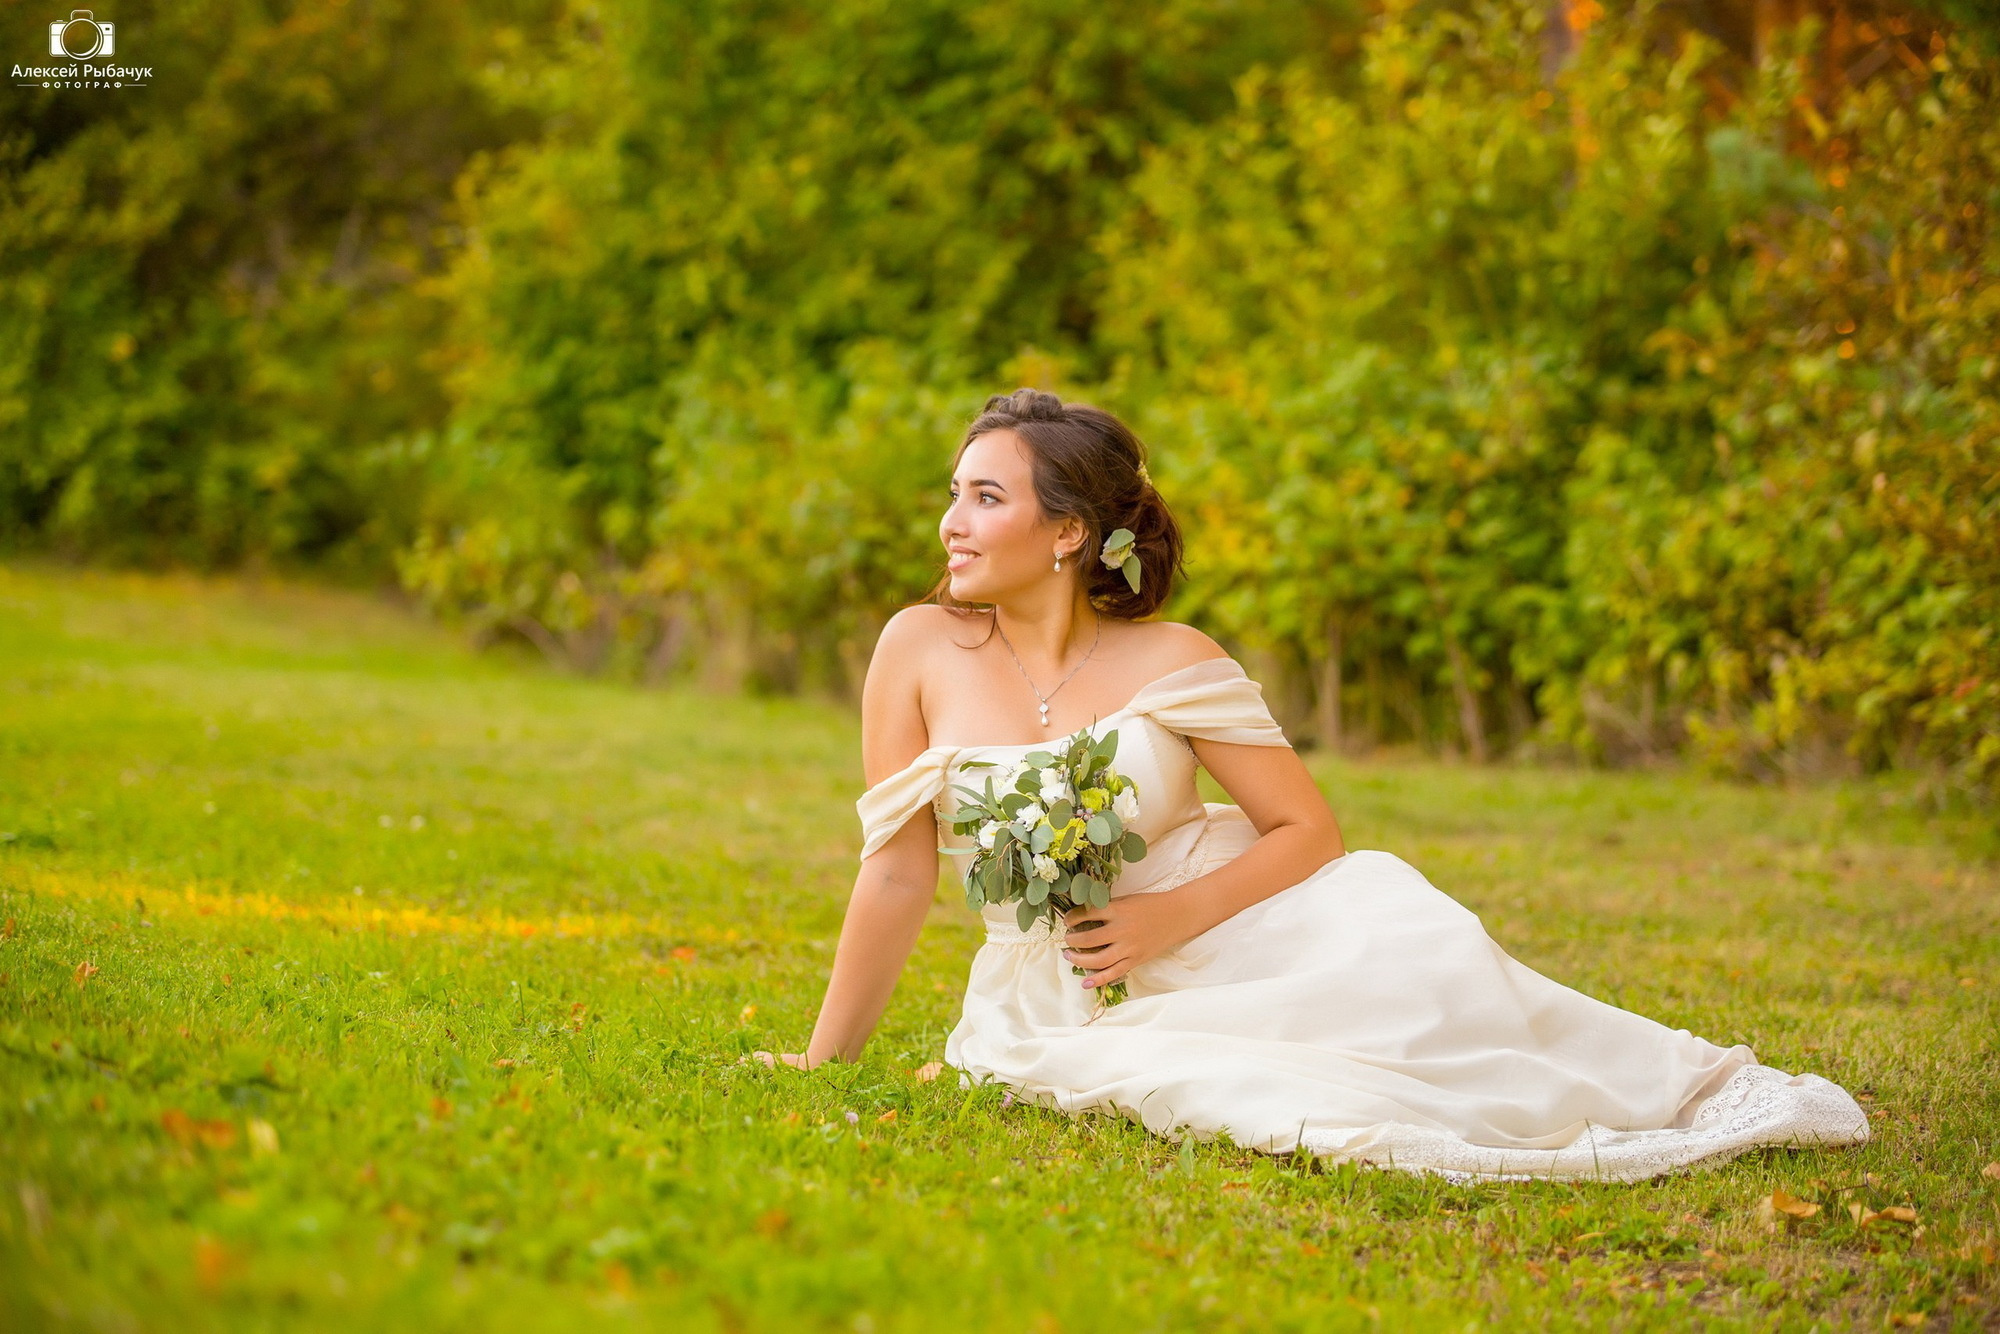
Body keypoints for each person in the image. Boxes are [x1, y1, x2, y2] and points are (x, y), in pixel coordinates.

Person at [751, 388, 1868, 1182]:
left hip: (1233, 927)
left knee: (1416, 1002)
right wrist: (820, 1058)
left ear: (1068, 533)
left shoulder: (1173, 659)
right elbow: (897, 870)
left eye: (985, 497)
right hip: (1048, 989)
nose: (950, 522)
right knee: (1263, 1096)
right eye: (952, 492)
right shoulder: (914, 647)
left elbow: (1306, 828)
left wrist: (1160, 918)